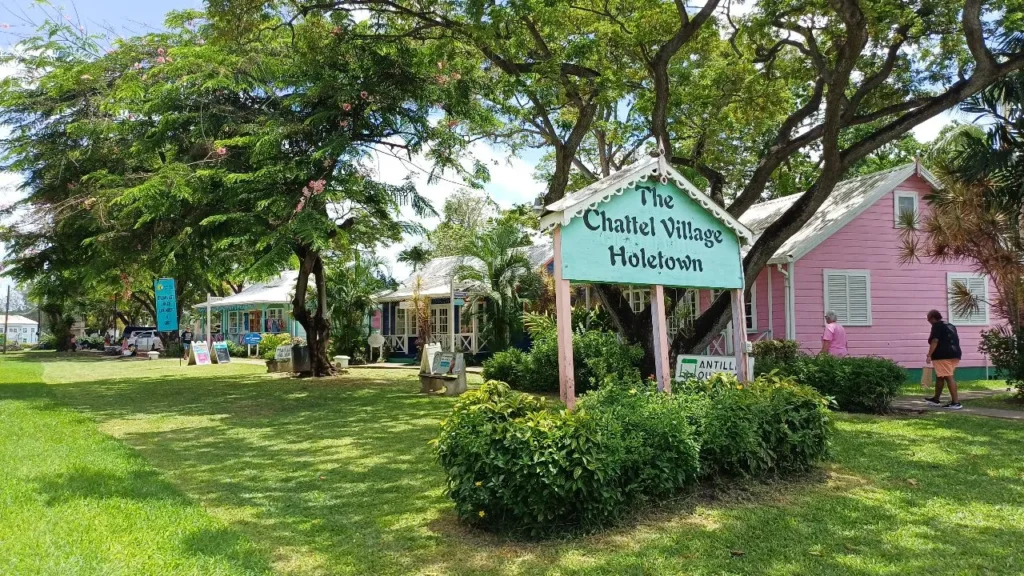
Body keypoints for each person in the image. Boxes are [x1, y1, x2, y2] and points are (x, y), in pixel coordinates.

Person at [924, 309, 963, 409]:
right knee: (940, 376)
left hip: (942, 355)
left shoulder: (936, 326)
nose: (928, 321)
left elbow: (935, 341)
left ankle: (956, 403)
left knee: (948, 376)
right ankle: (936, 399)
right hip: (955, 353)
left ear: (933, 318)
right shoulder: (950, 325)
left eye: (928, 319)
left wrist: (929, 355)